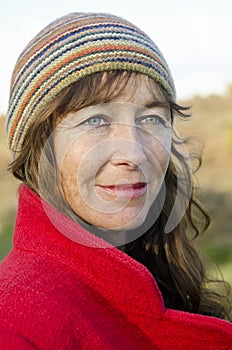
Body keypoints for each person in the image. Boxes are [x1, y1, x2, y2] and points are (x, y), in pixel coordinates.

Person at [0, 12, 231, 349]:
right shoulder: (16, 323)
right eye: (95, 120)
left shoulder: (167, 276)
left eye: (151, 118)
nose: (134, 153)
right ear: (38, 147)